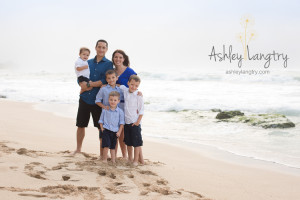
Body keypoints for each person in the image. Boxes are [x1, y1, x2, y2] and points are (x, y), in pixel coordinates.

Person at [73, 39, 113, 155]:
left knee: (100, 127)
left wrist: (90, 84)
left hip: (98, 100)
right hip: (85, 97)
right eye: (99, 47)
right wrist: (82, 85)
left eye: (103, 47)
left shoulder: (108, 64)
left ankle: (101, 154)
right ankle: (78, 149)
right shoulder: (87, 62)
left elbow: (105, 80)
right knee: (81, 125)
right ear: (96, 48)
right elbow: (79, 75)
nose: (101, 49)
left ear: (106, 49)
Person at [112, 49, 137, 158]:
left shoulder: (129, 71)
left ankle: (125, 156)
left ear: (124, 59)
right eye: (116, 57)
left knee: (123, 132)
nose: (118, 59)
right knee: (115, 131)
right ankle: (115, 156)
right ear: (113, 59)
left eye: (120, 57)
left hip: (126, 106)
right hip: (114, 104)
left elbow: (135, 86)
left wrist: (138, 97)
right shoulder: (112, 71)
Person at [95, 69, 124, 159]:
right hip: (106, 116)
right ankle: (102, 156)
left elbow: (123, 100)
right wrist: (104, 107)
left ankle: (113, 157)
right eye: (109, 78)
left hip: (116, 117)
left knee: (114, 139)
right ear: (106, 80)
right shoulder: (103, 89)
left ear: (116, 78)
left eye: (113, 78)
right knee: (104, 138)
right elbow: (97, 101)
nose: (111, 80)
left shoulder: (120, 89)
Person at [120, 75, 144, 166]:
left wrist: (138, 122)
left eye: (136, 86)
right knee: (128, 142)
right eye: (132, 84)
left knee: (136, 143)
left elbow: (141, 110)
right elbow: (118, 85)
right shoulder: (125, 90)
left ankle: (135, 160)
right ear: (128, 83)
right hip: (127, 122)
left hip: (135, 123)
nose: (134, 87)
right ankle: (130, 159)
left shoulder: (138, 96)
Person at [99, 91, 125, 164]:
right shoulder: (105, 110)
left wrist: (119, 132)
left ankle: (113, 160)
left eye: (115, 100)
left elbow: (121, 123)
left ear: (118, 101)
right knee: (106, 146)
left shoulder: (120, 111)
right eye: (111, 100)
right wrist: (102, 128)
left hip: (115, 132)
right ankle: (104, 160)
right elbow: (101, 120)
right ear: (108, 100)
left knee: (113, 147)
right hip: (106, 130)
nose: (113, 102)